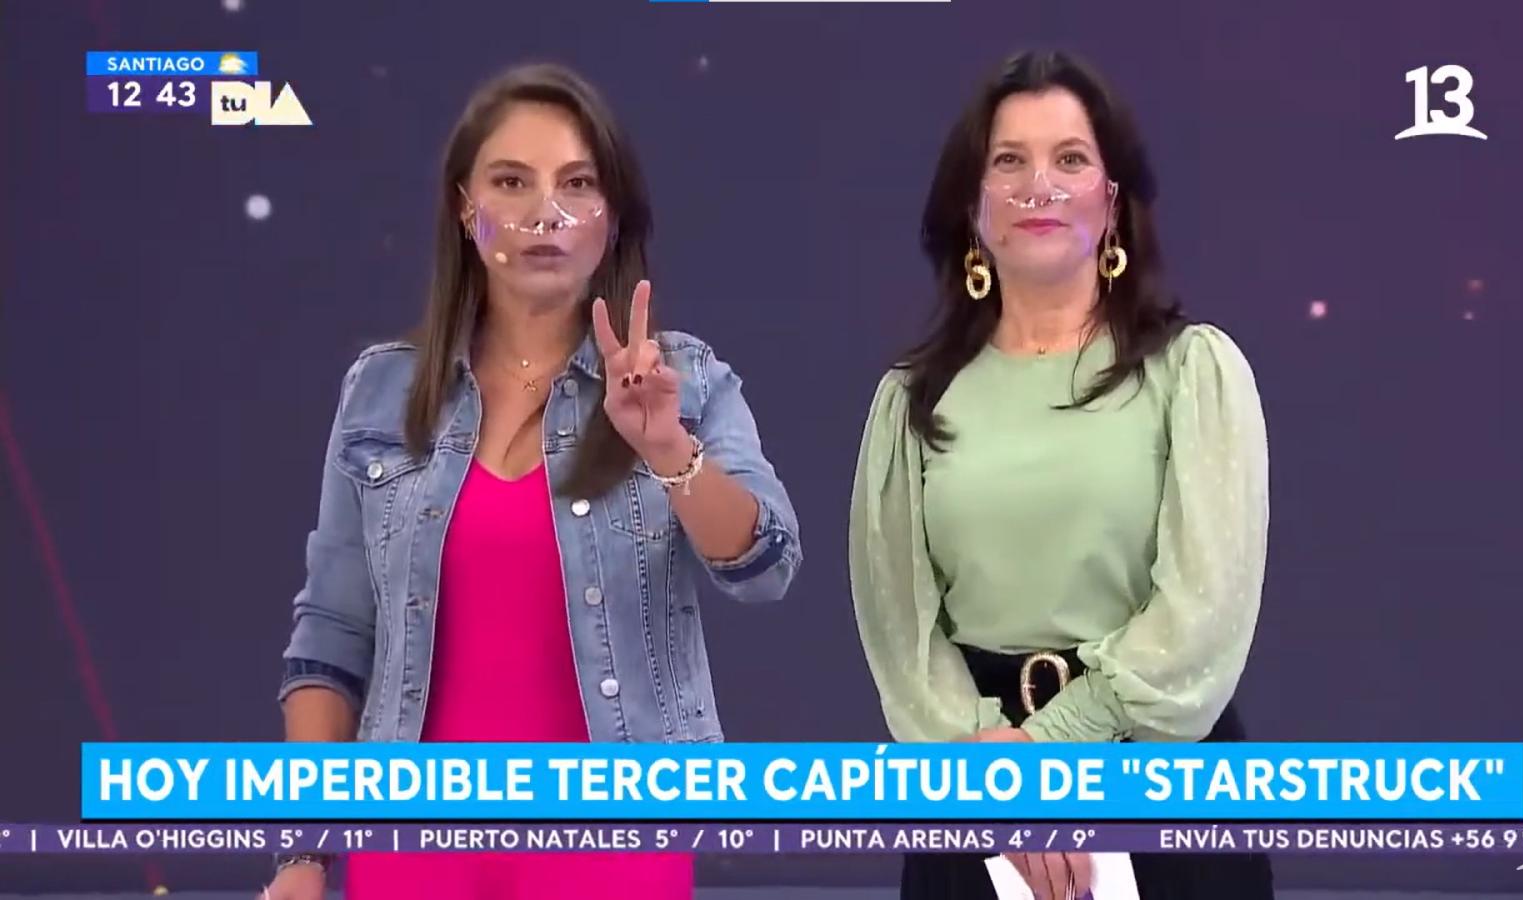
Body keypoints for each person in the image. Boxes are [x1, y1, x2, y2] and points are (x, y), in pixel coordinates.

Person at [263, 62, 801, 900]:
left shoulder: (686, 382)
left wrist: (669, 449)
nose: (546, 213)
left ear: (611, 214)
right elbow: (331, 642)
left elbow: (767, 566)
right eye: (512, 182)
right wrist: (303, 856)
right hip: (411, 853)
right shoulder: (381, 392)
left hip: (614, 848)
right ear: (464, 208)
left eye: (577, 184)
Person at [849, 50, 1273, 900]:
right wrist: (991, 776)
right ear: (972, 206)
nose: (1038, 185)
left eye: (1070, 159)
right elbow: (899, 628)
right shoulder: (910, 399)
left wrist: (1050, 756)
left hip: (1162, 784)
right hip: (971, 795)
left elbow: (1205, 612)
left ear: (1112, 201)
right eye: (1009, 161)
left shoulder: (1193, 371)